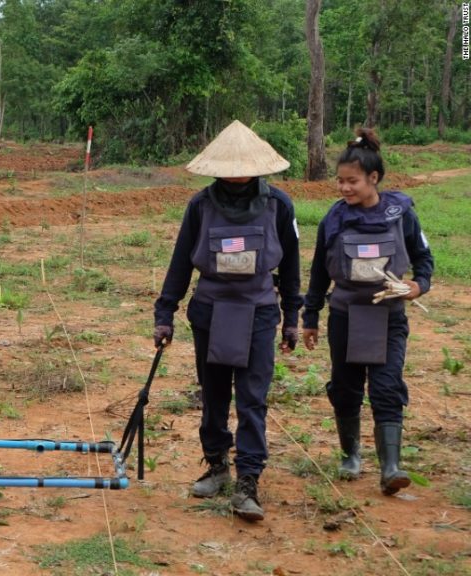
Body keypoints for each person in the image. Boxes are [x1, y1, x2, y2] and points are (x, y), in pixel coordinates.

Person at [153, 120, 301, 522]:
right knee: (214, 393)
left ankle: (248, 480)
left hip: (257, 311)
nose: (236, 173)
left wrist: (292, 316)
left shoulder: (279, 206)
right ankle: (217, 465)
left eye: (243, 166)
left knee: (252, 398)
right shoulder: (200, 206)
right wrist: (164, 313)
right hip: (211, 312)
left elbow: (290, 265)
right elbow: (181, 260)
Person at [302, 128, 432, 495]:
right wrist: (310, 317)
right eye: (340, 181)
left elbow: (424, 260)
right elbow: (318, 271)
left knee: (387, 386)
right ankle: (350, 454)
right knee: (345, 388)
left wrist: (417, 286)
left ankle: (391, 467)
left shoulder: (401, 214)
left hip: (388, 317)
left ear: (374, 178)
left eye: (352, 181)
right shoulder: (334, 219)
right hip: (345, 314)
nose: (344, 188)